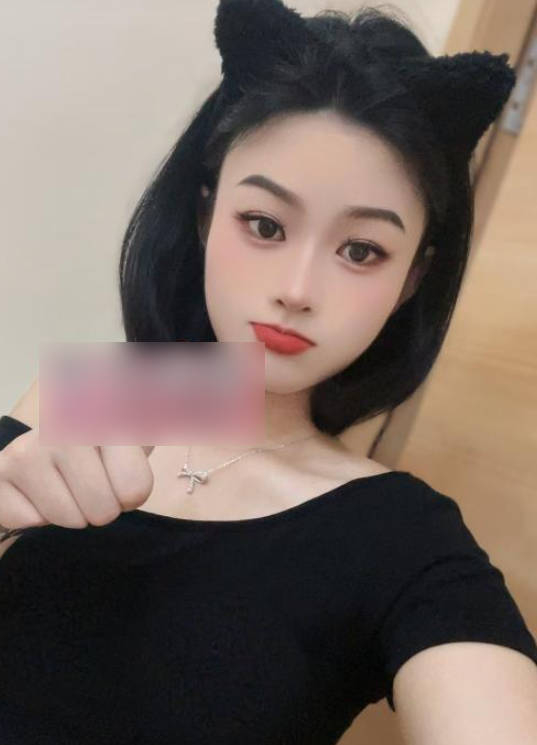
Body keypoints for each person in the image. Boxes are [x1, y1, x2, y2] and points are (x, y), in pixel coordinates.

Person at [0, 1, 536, 743]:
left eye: (361, 250)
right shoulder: (103, 390)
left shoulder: (402, 534)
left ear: (412, 278)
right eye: (264, 224)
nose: (297, 288)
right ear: (205, 214)